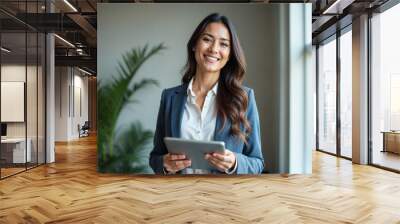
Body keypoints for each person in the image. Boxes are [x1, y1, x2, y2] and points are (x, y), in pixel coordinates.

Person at [149, 13, 264, 174]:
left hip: (223, 197)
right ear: (194, 44)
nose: (214, 49)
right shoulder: (169, 97)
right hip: (178, 194)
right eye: (207, 39)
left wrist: (235, 163)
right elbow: (155, 157)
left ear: (230, 54)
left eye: (224, 44)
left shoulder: (244, 98)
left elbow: (257, 163)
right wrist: (165, 164)